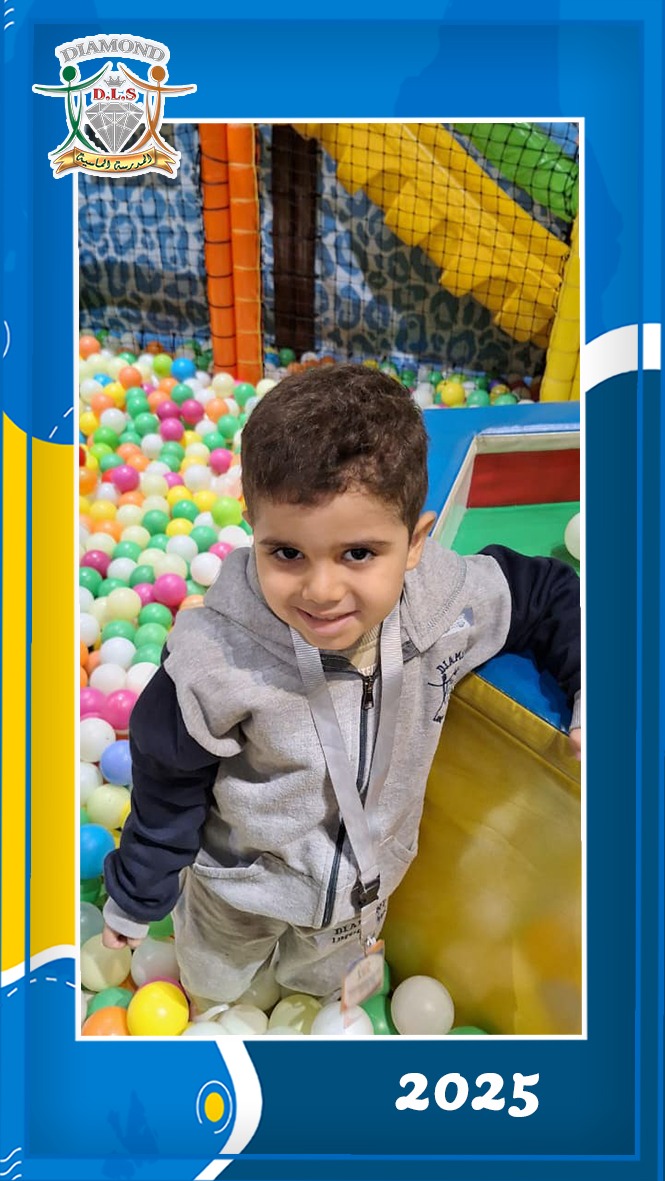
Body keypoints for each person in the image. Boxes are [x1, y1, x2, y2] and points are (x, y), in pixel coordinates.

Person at [102, 364, 581, 1007]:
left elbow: (547, 594)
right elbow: (167, 778)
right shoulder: (216, 655)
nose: (322, 591)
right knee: (212, 988)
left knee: (319, 997)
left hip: (363, 892)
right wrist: (137, 895)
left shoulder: (443, 605)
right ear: (253, 528)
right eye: (287, 553)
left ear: (415, 542)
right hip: (239, 889)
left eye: (358, 554)